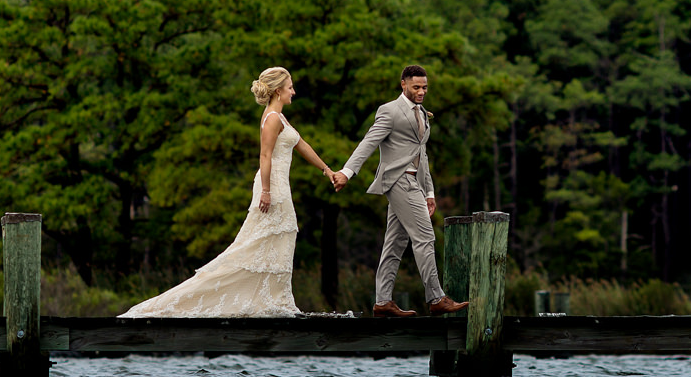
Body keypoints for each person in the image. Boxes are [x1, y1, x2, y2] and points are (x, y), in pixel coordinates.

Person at [121, 67, 339, 318]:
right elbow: (265, 156)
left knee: (279, 239)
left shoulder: (281, 118)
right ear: (278, 91)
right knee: (256, 243)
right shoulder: (272, 118)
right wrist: (266, 191)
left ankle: (275, 299)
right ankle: (197, 300)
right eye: (290, 87)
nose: (294, 92)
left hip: (280, 186)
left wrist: (327, 170)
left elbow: (302, 145)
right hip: (272, 186)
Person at [332, 65, 467, 317]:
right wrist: (347, 172)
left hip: (415, 183)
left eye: (424, 87)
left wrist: (429, 193)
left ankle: (383, 302)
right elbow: (368, 142)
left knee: (395, 242)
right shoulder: (390, 111)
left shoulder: (423, 113)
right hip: (399, 180)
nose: (421, 92)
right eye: (416, 87)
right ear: (403, 84)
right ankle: (436, 298)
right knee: (425, 237)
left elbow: (422, 154)